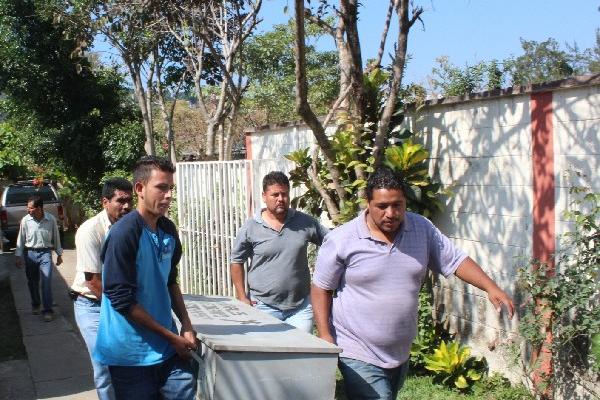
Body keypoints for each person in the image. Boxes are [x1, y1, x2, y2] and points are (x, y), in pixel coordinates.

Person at [311, 167, 515, 400]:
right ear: (368, 203)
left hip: (399, 351)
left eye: (397, 205)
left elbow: (455, 260)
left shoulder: (421, 229)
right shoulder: (342, 239)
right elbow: (321, 287)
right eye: (382, 206)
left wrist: (490, 287)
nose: (391, 213)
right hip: (356, 348)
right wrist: (325, 334)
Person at [93, 156, 198, 400]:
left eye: (170, 188)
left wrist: (187, 325)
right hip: (130, 355)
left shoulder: (168, 229)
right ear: (140, 189)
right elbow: (121, 299)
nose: (169, 195)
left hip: (167, 348)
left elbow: (170, 280)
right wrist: (172, 337)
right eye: (161, 187)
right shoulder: (124, 233)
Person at [230, 171, 329, 333]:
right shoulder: (251, 227)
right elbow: (236, 261)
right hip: (263, 306)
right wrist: (242, 296)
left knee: (300, 353)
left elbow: (332, 243)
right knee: (267, 355)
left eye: (284, 194)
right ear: (264, 196)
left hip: (300, 307)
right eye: (275, 195)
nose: (280, 199)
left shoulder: (304, 222)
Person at [70, 178, 133, 400]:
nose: (126, 206)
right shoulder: (90, 231)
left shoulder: (133, 226)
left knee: (128, 363)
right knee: (104, 364)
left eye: (129, 200)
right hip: (93, 306)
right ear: (105, 202)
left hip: (122, 303)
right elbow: (93, 282)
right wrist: (125, 312)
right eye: (120, 201)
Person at [15, 195, 63, 322]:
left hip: (45, 253)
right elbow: (21, 239)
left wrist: (59, 254)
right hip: (30, 254)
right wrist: (18, 256)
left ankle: (47, 310)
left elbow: (56, 237)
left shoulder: (50, 219)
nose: (28, 210)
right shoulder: (26, 220)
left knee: (46, 282)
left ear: (39, 208)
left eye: (30, 208)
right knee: (32, 282)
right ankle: (36, 304)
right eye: (28, 207)